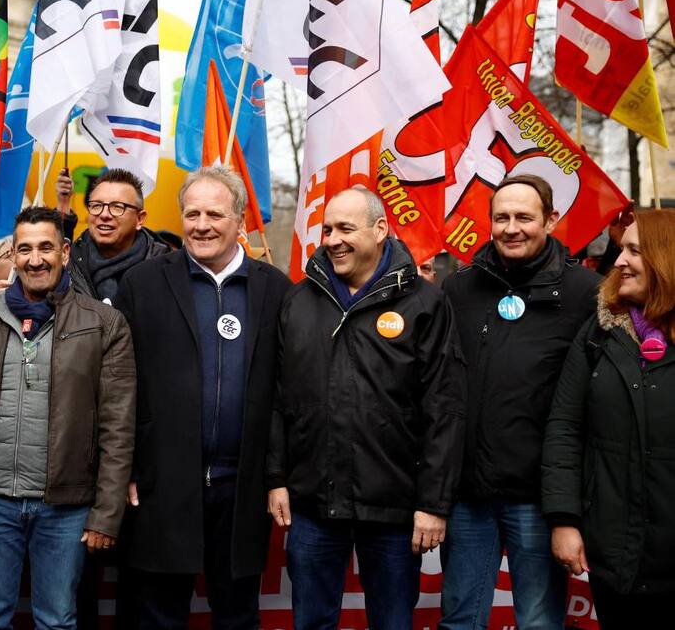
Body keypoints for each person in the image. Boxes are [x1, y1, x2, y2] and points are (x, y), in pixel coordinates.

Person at [266, 186, 466, 630]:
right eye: (327, 229)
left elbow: (444, 409)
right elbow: (277, 400)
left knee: (392, 622)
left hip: (395, 509)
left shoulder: (426, 304)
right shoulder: (298, 302)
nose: (333, 239)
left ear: (380, 230)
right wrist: (276, 478)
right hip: (313, 504)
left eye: (345, 228)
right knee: (312, 621)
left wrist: (433, 503)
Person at [114, 166, 290, 629]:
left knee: (237, 616)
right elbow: (120, 385)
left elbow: (285, 391)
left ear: (240, 222)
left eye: (215, 214)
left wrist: (277, 473)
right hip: (163, 484)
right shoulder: (143, 283)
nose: (201, 225)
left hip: (244, 487)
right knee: (159, 615)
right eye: (191, 213)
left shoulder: (275, 289)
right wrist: (128, 466)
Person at [0, 206, 135, 629]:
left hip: (66, 506)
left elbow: (119, 425)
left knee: (56, 620)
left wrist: (107, 513)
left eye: (45, 248)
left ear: (65, 252)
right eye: (24, 249)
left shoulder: (104, 324)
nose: (35, 259)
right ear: (13, 255)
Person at [439, 175, 601, 630]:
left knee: (538, 621)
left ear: (551, 220)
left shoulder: (586, 293)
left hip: (539, 498)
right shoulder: (459, 289)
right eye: (501, 217)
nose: (512, 228)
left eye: (524, 217)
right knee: (460, 620)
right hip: (469, 496)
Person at [542, 209, 675, 628]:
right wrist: (564, 519)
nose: (619, 261)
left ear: (665, 258)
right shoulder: (599, 332)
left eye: (633, 251)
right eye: (621, 250)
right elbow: (564, 427)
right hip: (617, 553)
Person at [70, 168, 171, 305]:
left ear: (140, 219)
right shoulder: (69, 265)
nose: (104, 214)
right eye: (97, 205)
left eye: (117, 207)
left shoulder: (166, 269)